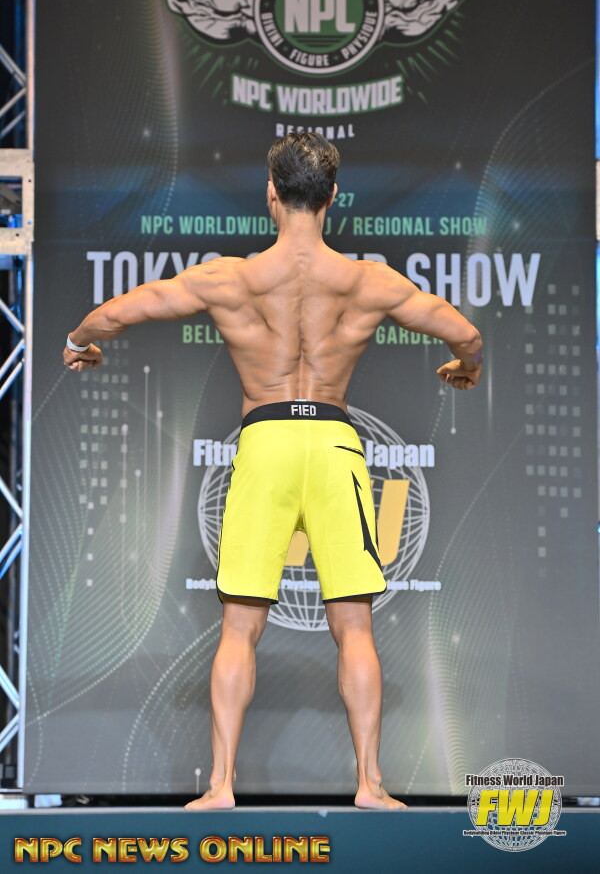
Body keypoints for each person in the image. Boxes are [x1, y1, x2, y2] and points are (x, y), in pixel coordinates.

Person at [63, 132, 483, 811]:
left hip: (265, 444)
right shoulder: (369, 282)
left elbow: (117, 313)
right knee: (354, 626)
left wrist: (79, 341)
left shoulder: (229, 279)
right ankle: (370, 785)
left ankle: (221, 785)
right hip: (334, 446)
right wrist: (467, 366)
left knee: (239, 628)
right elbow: (466, 333)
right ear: (334, 197)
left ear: (270, 194)